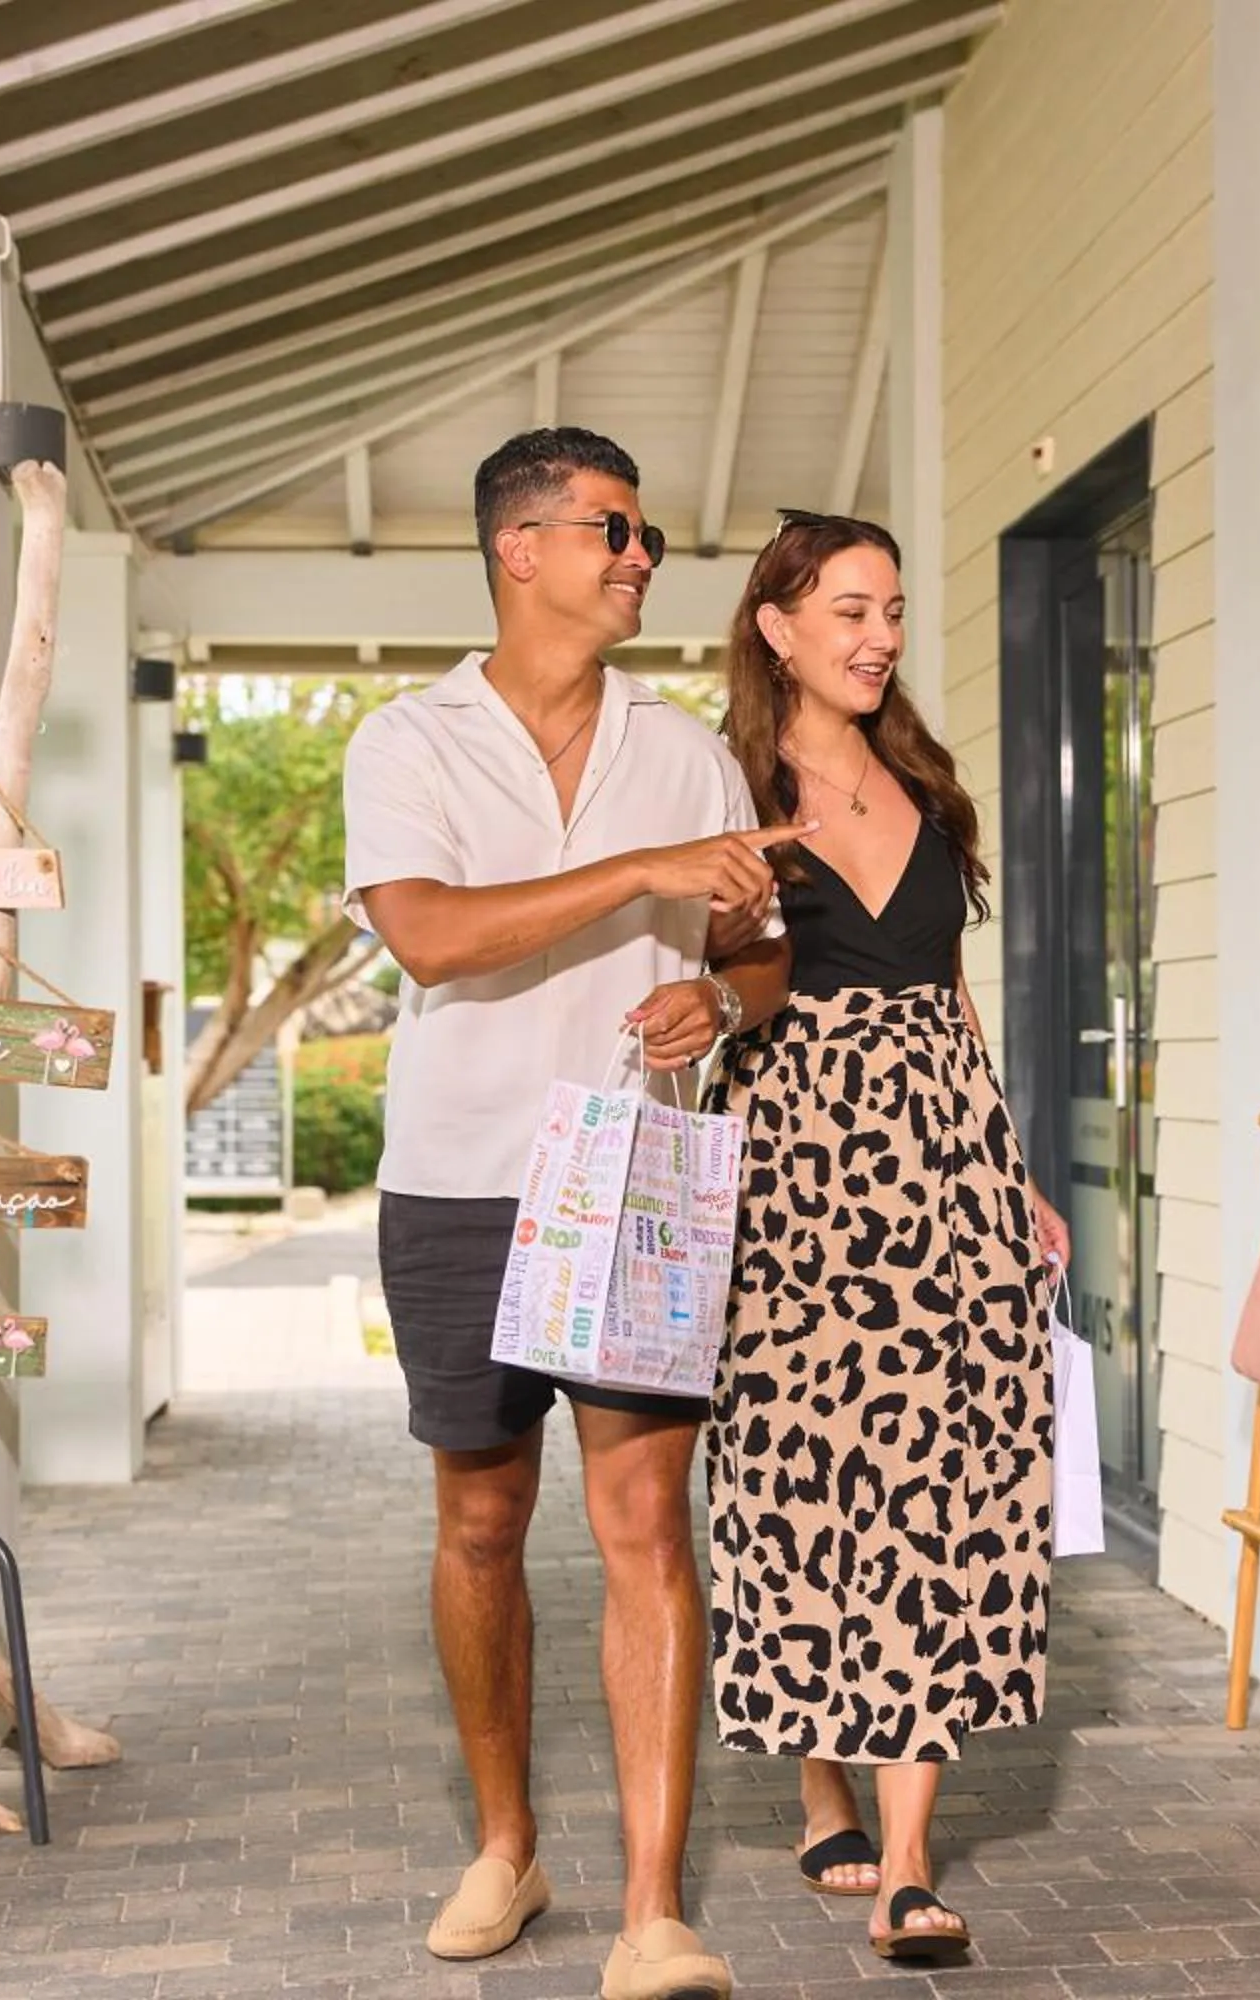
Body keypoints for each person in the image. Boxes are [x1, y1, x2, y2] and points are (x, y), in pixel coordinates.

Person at [341, 428, 802, 2000]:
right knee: (479, 1521)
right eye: (612, 528)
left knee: (645, 1528)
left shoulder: (688, 750)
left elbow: (761, 952)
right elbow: (432, 941)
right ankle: (505, 1846)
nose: (640, 556)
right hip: (460, 1173)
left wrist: (722, 1010)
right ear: (519, 549)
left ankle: (655, 1914)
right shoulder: (405, 741)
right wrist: (641, 874)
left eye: (648, 533)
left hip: (639, 1172)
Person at [706, 510, 1068, 1965]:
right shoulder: (726, 788)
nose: (879, 637)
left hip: (943, 1154)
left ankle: (911, 1854)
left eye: (895, 611)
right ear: (777, 625)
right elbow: (720, 985)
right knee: (799, 1466)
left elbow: (953, 992)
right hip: (792, 1158)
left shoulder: (927, 781)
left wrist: (1011, 1163)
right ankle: (818, 1782)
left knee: (950, 1463)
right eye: (850, 609)